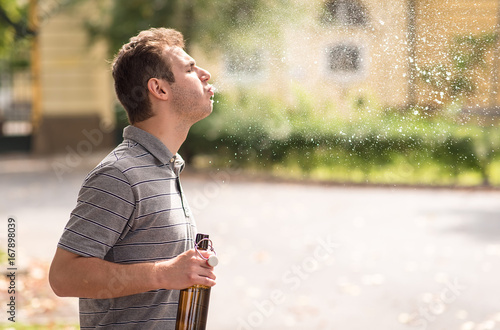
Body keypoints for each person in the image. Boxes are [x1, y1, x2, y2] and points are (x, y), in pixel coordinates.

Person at [49, 27, 216, 329]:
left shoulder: (164, 167)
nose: (205, 73)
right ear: (160, 89)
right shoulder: (120, 174)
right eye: (190, 68)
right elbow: (63, 276)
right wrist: (164, 273)